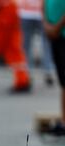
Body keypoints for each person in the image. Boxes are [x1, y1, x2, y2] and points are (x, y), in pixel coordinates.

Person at [17, 0, 55, 86]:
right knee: (46, 44)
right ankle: (48, 71)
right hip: (40, 12)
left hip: (26, 11)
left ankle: (27, 72)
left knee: (25, 45)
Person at [43, 0, 65, 134]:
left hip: (61, 32)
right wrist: (46, 24)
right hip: (55, 35)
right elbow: (44, 4)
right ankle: (63, 121)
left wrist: (56, 26)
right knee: (63, 81)